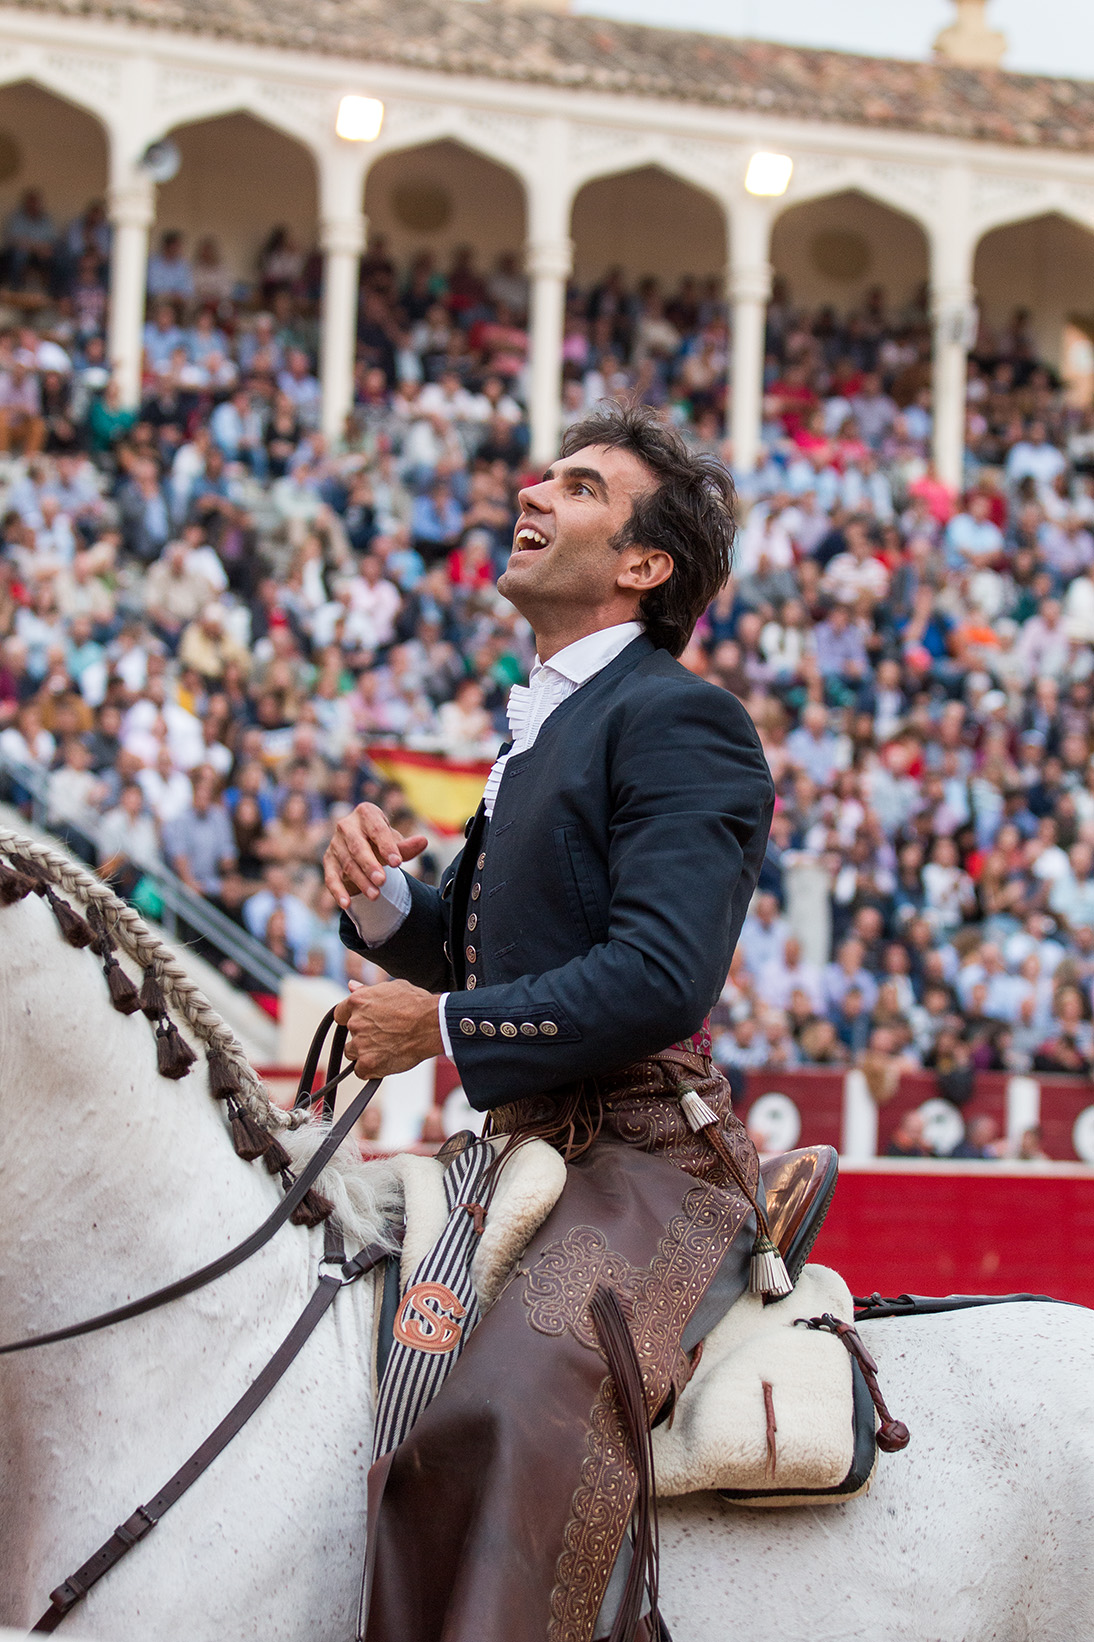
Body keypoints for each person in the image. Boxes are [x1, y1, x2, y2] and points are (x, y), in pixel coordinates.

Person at [324, 405, 776, 1642]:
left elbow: (657, 976)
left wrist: (446, 1026)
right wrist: (377, 898)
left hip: (641, 1156)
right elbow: (464, 941)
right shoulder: (550, 717)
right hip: (532, 1145)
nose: (533, 489)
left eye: (577, 486)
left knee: (506, 1415)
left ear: (641, 566)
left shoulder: (681, 717)